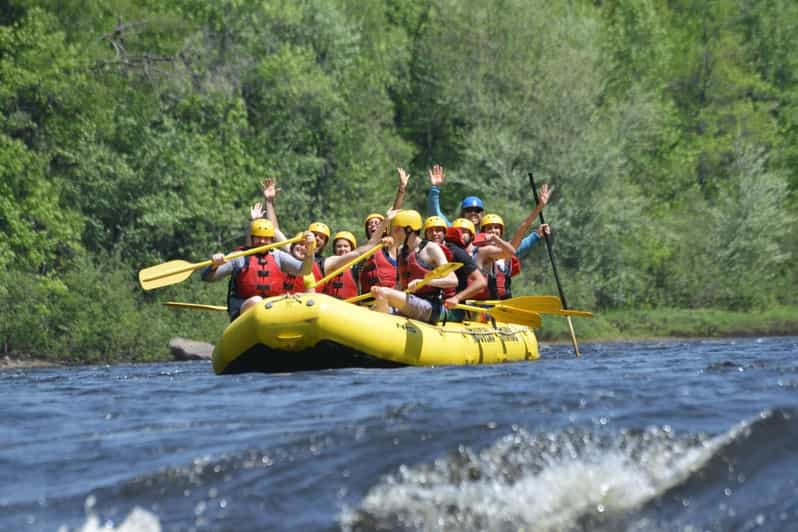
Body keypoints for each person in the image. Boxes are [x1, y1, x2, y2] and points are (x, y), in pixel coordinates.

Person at [201, 219, 316, 321]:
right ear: (251, 238)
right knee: (256, 301)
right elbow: (207, 277)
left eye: (266, 239)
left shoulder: (277, 256)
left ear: (271, 240)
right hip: (243, 308)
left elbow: (304, 270)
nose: (262, 241)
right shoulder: (239, 257)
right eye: (259, 238)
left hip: (272, 308)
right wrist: (214, 266)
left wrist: (310, 252)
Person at [370, 210, 457, 323]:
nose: (394, 233)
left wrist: (425, 281)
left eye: (398, 230)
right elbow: (400, 285)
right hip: (411, 301)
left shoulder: (431, 248)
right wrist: (380, 293)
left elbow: (453, 280)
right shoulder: (401, 251)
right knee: (378, 297)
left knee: (383, 293)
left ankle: (382, 332)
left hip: (431, 306)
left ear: (409, 230)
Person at [426, 164, 484, 229]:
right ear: (463, 213)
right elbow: (435, 215)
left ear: (482, 214)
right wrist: (435, 187)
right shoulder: (454, 231)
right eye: (469, 210)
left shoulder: (488, 232)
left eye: (477, 210)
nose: (473, 213)